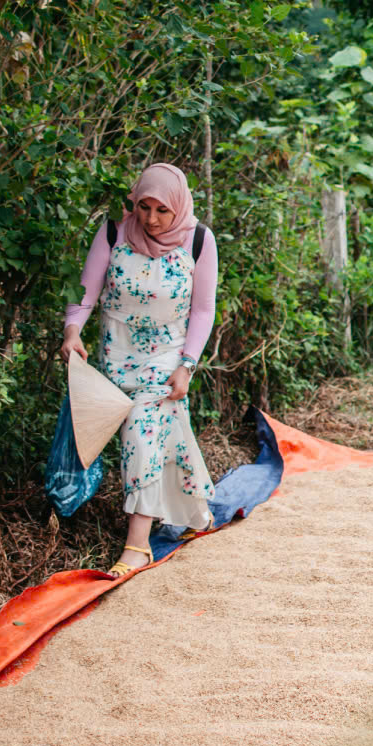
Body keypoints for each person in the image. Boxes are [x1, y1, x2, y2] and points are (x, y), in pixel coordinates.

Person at [59, 164, 218, 576]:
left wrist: (186, 366)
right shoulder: (115, 232)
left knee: (142, 429)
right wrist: (73, 331)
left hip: (166, 354)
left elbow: (202, 310)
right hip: (116, 350)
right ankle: (195, 512)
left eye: (161, 210)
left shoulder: (199, 240)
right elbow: (85, 291)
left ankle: (137, 544)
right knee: (168, 428)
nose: (150, 219)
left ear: (178, 206)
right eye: (143, 207)